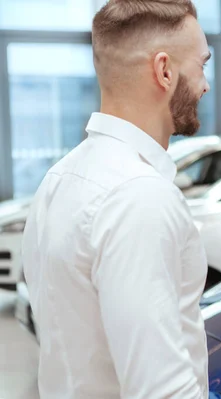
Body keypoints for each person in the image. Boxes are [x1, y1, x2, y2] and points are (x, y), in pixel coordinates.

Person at [21, 1, 211, 398]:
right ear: (164, 70)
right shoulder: (139, 196)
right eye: (202, 65)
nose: (205, 85)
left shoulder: (60, 178)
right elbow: (160, 389)